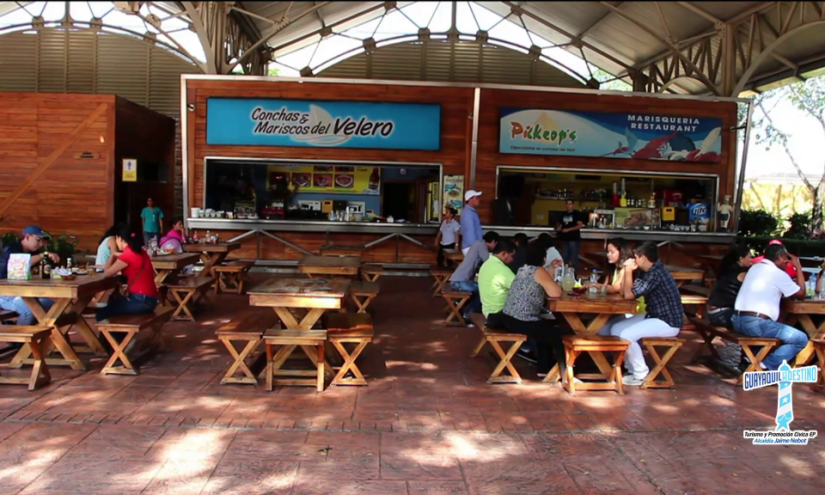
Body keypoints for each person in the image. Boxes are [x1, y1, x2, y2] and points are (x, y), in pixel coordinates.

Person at [613, 241, 684, 386]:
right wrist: (628, 272)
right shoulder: (647, 271)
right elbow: (625, 291)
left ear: (643, 258)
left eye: (635, 257)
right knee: (616, 329)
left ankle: (641, 373)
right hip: (654, 316)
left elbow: (628, 296)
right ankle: (631, 368)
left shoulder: (655, 274)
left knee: (626, 335)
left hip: (668, 322)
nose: (632, 260)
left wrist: (627, 270)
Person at [731, 243, 808, 370]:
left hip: (737, 321)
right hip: (756, 324)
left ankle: (748, 361)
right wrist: (798, 266)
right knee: (800, 339)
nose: (786, 262)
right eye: (785, 259)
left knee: (768, 333)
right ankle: (765, 366)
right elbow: (801, 294)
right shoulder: (777, 273)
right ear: (779, 257)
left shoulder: (754, 268)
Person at [501, 242, 566, 378]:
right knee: (559, 335)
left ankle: (544, 369)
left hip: (509, 318)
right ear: (543, 258)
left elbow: (543, 282)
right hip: (523, 321)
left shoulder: (523, 269)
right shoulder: (539, 271)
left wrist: (551, 269)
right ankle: (565, 373)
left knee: (545, 328)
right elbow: (555, 293)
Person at [97, 224, 159, 324]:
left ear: (119, 239)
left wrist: (112, 255)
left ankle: (119, 339)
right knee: (114, 306)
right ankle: (118, 338)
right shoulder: (141, 252)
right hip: (150, 299)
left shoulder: (128, 255)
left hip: (141, 301)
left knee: (103, 313)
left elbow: (107, 273)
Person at [0, 226, 59, 326]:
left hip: (24, 291)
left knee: (52, 306)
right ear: (27, 237)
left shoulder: (33, 252)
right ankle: (17, 340)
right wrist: (42, 256)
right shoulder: (11, 249)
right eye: (38, 240)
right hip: (5, 292)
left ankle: (16, 328)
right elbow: (19, 264)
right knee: (29, 311)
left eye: (42, 241)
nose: (40, 244)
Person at [596, 238, 646, 335]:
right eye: (607, 252)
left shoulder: (627, 267)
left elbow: (614, 288)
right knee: (600, 329)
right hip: (620, 309)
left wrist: (594, 285)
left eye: (612, 252)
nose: (608, 254)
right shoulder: (613, 268)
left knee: (604, 330)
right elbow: (605, 286)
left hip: (634, 310)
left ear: (621, 252)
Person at [449, 231, 499, 318]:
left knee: (476, 288)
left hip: (459, 279)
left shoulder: (478, 243)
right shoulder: (481, 245)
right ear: (493, 241)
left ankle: (459, 302)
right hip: (460, 281)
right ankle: (468, 315)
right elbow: (488, 261)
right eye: (496, 244)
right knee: (481, 292)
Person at [706, 244, 753, 327]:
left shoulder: (725, 268)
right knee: (753, 321)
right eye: (749, 257)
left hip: (712, 313)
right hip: (722, 314)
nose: (751, 260)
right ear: (741, 259)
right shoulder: (742, 274)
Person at [478, 239, 516, 328]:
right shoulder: (501, 270)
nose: (512, 259)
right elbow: (520, 288)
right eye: (512, 256)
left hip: (488, 312)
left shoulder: (487, 263)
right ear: (504, 254)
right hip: (498, 315)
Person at [556, 199, 585, 270]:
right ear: (565, 205)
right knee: (564, 257)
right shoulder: (563, 214)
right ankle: (564, 273)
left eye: (570, 204)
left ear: (573, 205)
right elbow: (558, 224)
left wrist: (568, 229)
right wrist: (558, 228)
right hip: (564, 239)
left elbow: (580, 225)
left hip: (574, 239)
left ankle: (574, 275)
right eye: (567, 204)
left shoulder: (577, 213)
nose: (568, 205)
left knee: (573, 258)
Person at [460, 190, 483, 256]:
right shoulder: (468, 213)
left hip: (472, 247)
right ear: (470, 199)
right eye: (477, 198)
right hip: (471, 247)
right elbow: (470, 232)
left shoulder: (470, 212)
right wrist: (475, 247)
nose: (479, 199)